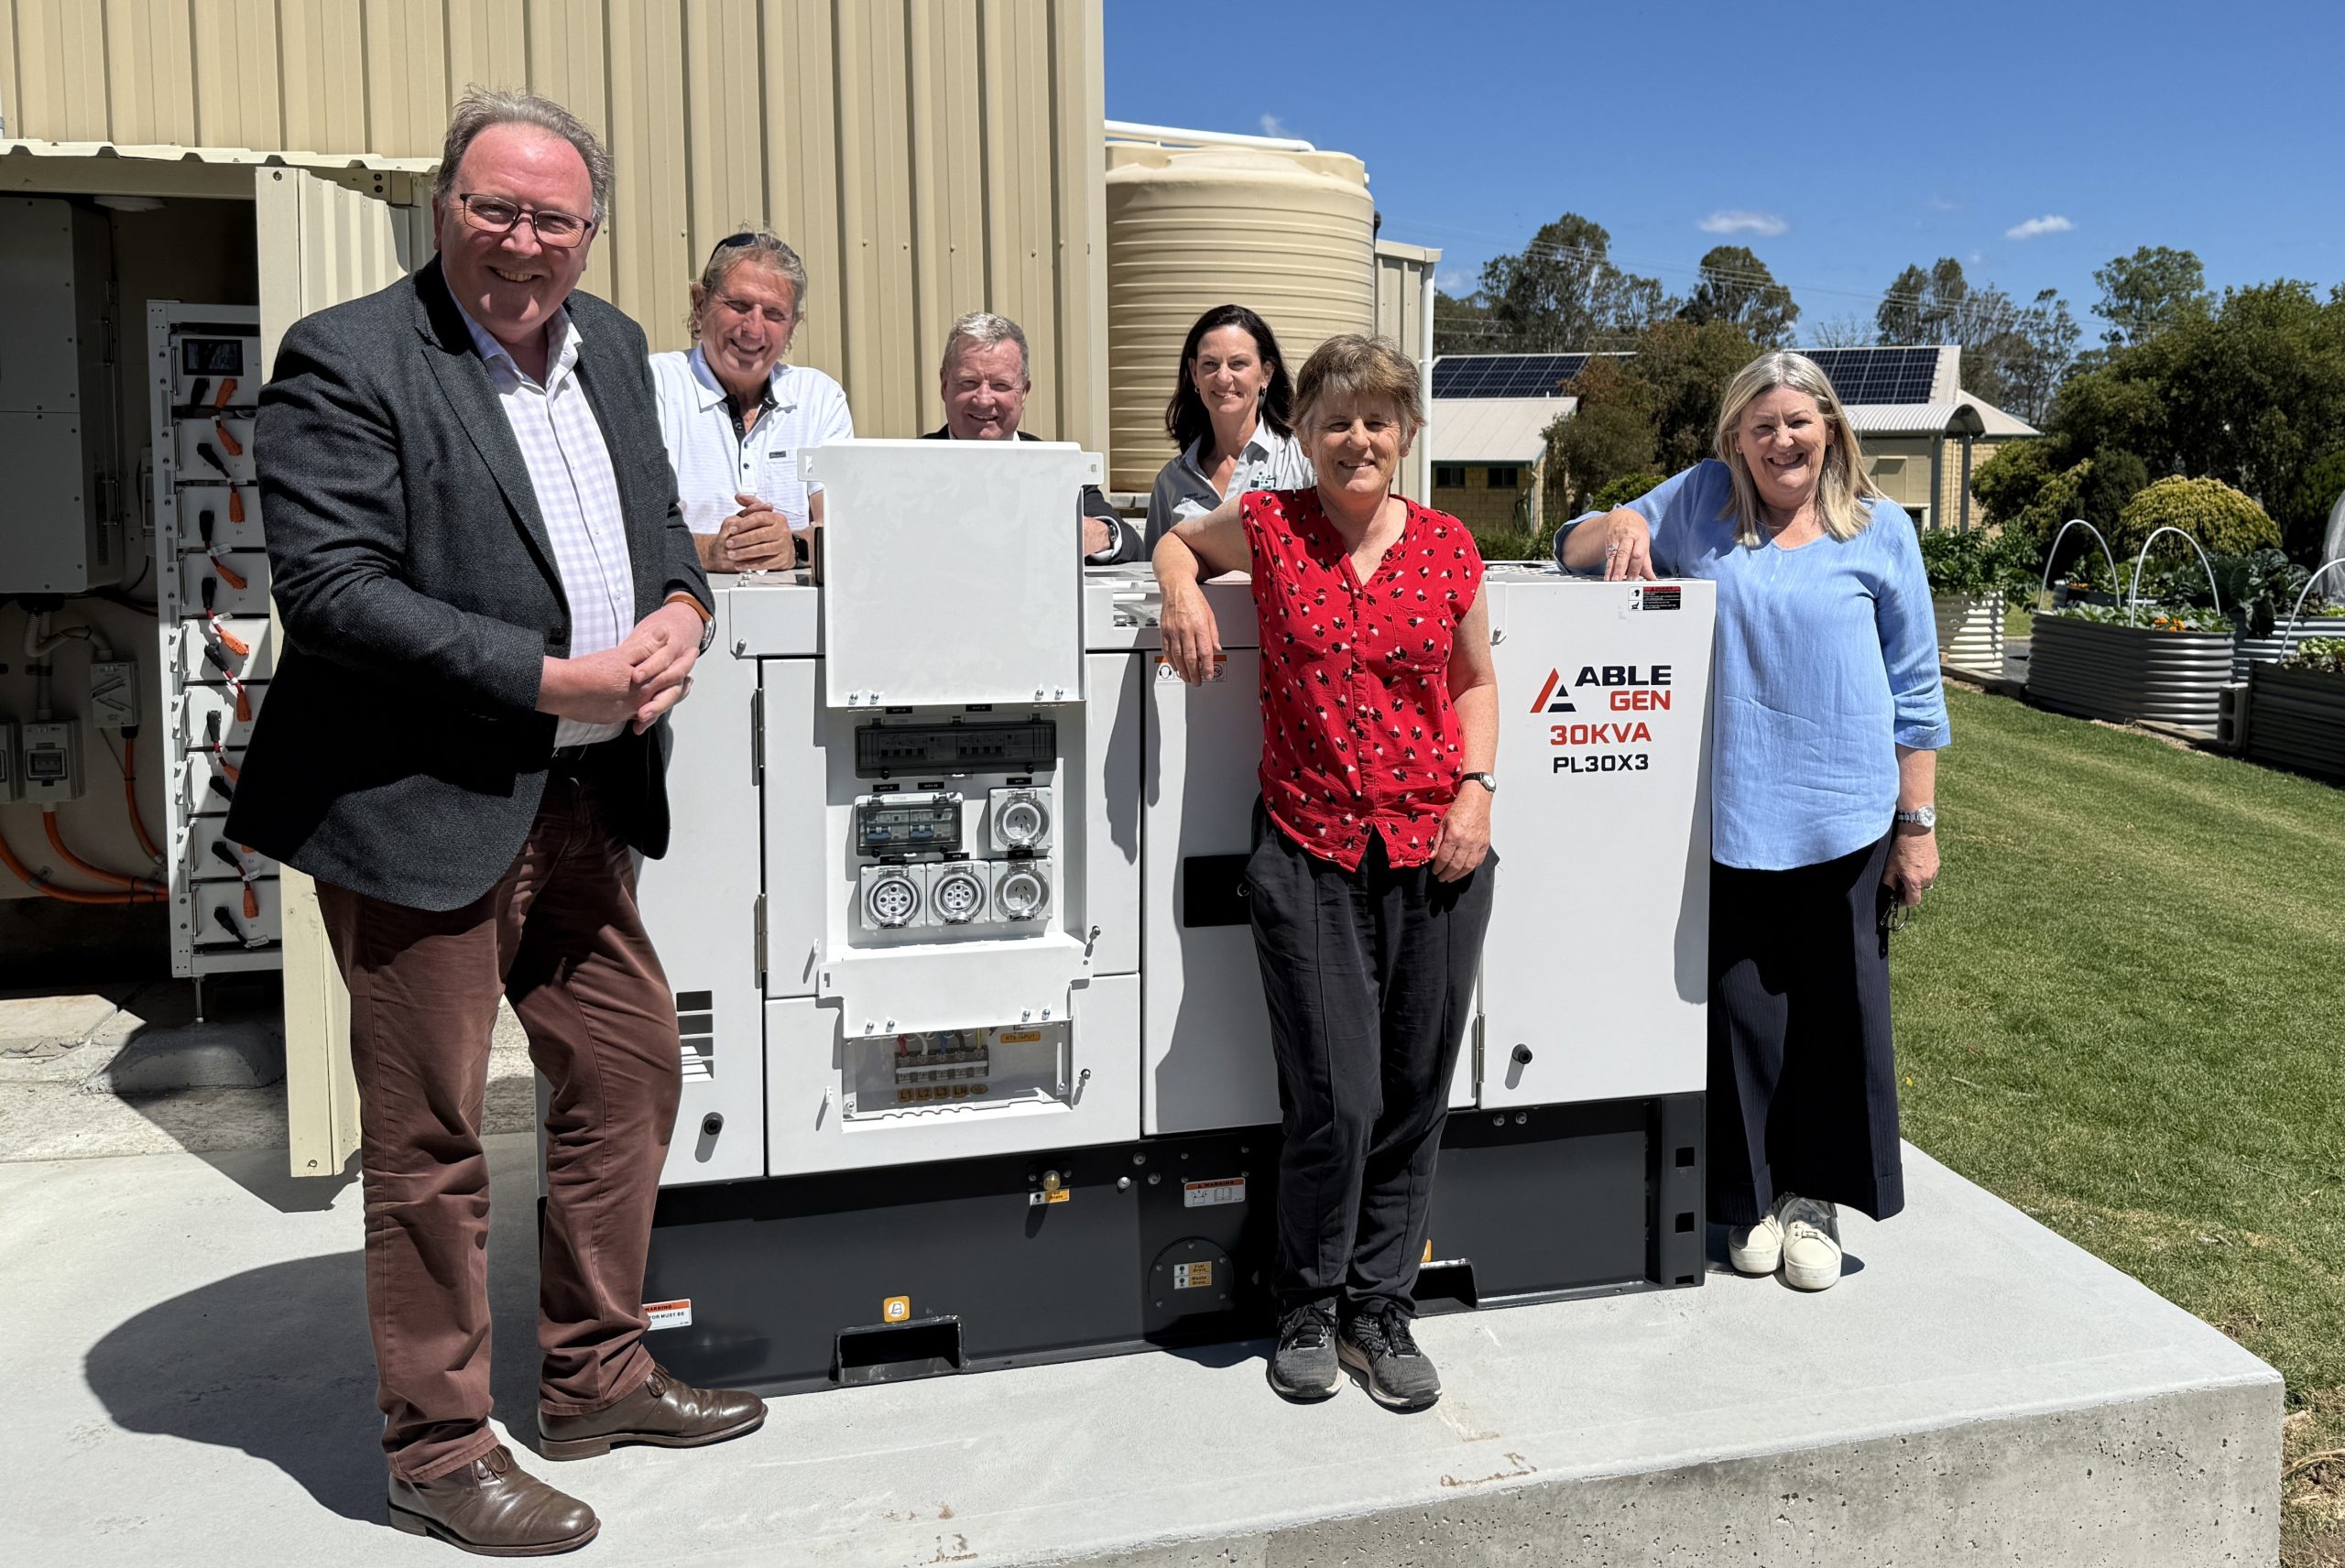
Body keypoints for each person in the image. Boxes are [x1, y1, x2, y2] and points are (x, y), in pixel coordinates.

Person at [225, 88, 763, 1557]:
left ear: (593, 232)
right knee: (432, 1141)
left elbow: (658, 533)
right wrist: (547, 677)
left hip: (586, 796)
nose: (524, 242)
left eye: (554, 218)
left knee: (630, 1072)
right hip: (418, 807)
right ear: (442, 205)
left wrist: (684, 610)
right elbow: (335, 592)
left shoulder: (618, 352)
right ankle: (440, 1450)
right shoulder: (350, 356)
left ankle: (594, 1377)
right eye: (495, 208)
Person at [1556, 349, 1948, 1294]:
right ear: (1735, 436)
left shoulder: (1881, 529)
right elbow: (1572, 544)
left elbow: (1916, 687)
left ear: (1831, 431)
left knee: (1836, 1013)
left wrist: (1916, 821)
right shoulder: (1701, 501)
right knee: (1739, 1015)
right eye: (1762, 425)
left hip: (1847, 818)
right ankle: (1753, 1199)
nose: (1782, 441)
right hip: (1730, 812)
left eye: (1798, 422)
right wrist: (1623, 525)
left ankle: (1815, 1199)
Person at [1155, 334, 1499, 1411]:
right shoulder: (1267, 523)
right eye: (1336, 420)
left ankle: (1378, 1307)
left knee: (1413, 1091)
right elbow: (1176, 540)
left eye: (1377, 419)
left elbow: (1475, 681)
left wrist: (1476, 792)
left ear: (1406, 432)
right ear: (1300, 432)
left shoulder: (1447, 545)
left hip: (1435, 849)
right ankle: (1304, 1302)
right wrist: (1181, 593)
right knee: (1334, 1098)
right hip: (1307, 845)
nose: (1358, 439)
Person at [650, 225, 853, 572]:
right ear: (700, 303)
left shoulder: (819, 398)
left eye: (774, 314)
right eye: (739, 305)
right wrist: (710, 552)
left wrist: (794, 547)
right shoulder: (653, 386)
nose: (754, 329)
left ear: (793, 326)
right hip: (682, 604)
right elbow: (623, 530)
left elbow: (846, 529)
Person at [922, 310, 1142, 563]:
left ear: (1023, 392)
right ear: (944, 385)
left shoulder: (1056, 469)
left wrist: (1099, 534)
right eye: (969, 382)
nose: (983, 399)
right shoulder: (902, 469)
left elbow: (1131, 544)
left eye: (1001, 385)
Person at [1146, 303, 1314, 543]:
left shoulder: (1302, 462)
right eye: (1210, 364)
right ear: (1194, 373)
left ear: (1266, 373)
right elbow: (1154, 563)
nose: (1223, 377)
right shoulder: (1171, 481)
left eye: (1238, 364)